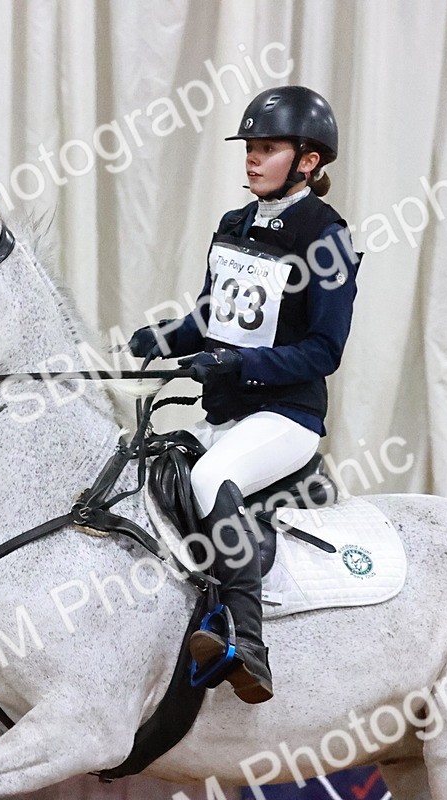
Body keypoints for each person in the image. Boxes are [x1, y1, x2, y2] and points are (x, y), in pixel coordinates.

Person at [128, 85, 362, 704]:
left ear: (308, 160)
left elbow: (325, 350)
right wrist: (168, 336)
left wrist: (239, 364)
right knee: (149, 474)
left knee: (211, 480)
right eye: (250, 148)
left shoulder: (326, 236)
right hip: (225, 414)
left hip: (286, 417)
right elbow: (214, 316)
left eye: (268, 148)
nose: (253, 158)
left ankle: (246, 640)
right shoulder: (235, 224)